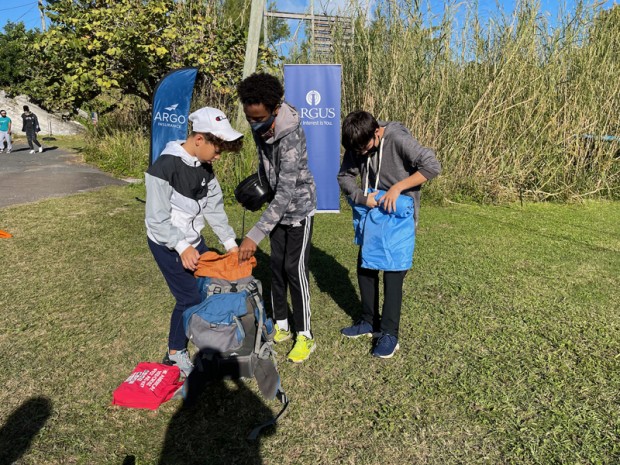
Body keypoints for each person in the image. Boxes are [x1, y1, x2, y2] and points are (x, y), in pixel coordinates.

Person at [145, 107, 243, 376]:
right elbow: (156, 220)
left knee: (208, 288)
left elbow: (214, 209)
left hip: (193, 240)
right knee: (188, 297)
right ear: (199, 139)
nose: (218, 156)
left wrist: (230, 244)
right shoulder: (164, 167)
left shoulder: (205, 169)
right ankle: (175, 353)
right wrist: (181, 247)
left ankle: (207, 337)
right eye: (217, 150)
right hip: (167, 243)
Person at [337, 110, 441, 358]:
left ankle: (389, 334)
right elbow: (344, 176)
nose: (361, 154)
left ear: (376, 132)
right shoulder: (358, 141)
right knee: (366, 268)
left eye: (365, 149)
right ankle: (368, 322)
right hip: (372, 216)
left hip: (398, 220)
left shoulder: (397, 139)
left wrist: (397, 188)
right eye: (357, 151)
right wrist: (360, 197)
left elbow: (432, 166)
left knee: (393, 275)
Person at [237, 72, 317, 363]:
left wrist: (254, 234)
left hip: (298, 210)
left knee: (294, 270)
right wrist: (260, 186)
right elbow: (267, 166)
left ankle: (305, 335)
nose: (254, 124)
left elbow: (286, 191)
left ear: (274, 108)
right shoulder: (259, 126)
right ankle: (281, 325)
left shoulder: (291, 134)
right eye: (249, 118)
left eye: (259, 118)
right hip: (276, 210)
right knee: (276, 267)